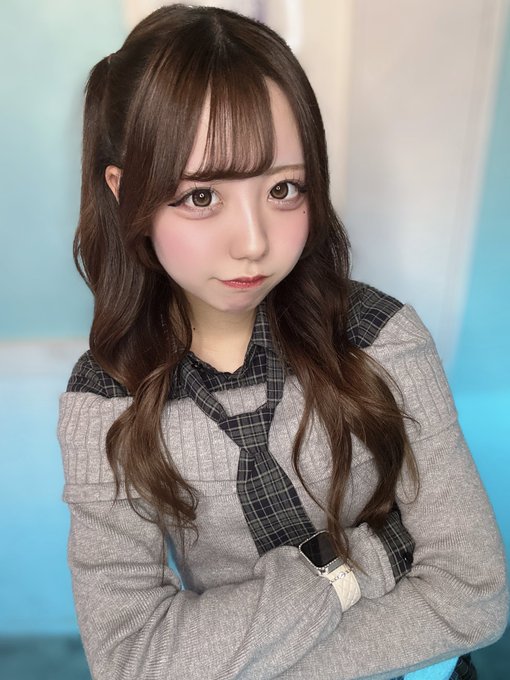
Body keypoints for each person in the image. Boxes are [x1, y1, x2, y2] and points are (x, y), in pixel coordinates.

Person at [58, 5, 508, 679]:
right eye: (202, 196)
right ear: (125, 193)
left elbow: (474, 594)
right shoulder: (106, 400)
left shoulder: (380, 338)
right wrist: (359, 563)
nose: (254, 242)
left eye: (283, 188)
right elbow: (131, 658)